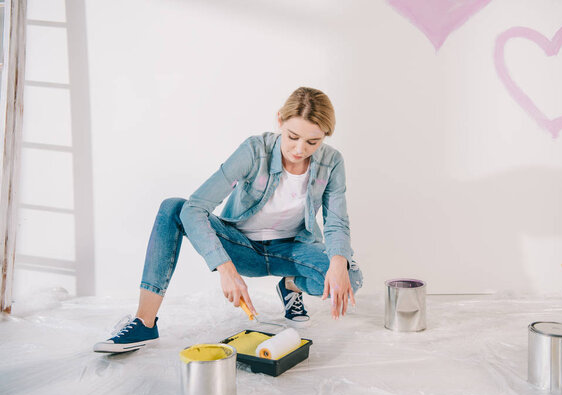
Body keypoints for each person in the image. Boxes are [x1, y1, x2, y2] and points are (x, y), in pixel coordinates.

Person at [94, 87, 364, 353]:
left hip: (291, 251)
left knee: (351, 276)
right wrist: (226, 269)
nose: (299, 149)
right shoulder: (254, 150)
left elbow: (336, 222)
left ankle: (290, 284)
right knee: (173, 207)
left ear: (325, 137)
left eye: (312, 142)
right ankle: (144, 323)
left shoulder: (332, 162)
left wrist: (338, 262)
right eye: (292, 136)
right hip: (241, 247)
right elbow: (195, 208)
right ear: (280, 120)